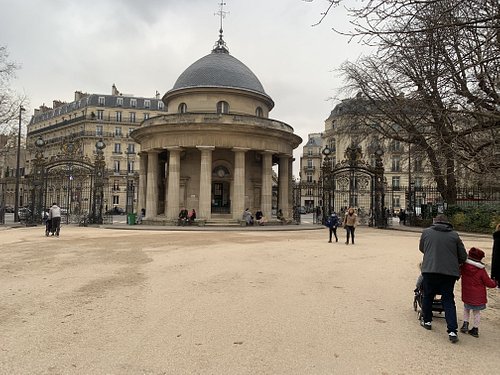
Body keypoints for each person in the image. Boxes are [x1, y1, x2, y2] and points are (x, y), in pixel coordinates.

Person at [419, 214, 467, 343]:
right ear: (448, 223)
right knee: (448, 299)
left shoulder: (426, 232)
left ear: (434, 221)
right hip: (449, 272)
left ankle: (427, 320)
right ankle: (452, 330)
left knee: (428, 295)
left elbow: (422, 248)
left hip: (430, 269)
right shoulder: (454, 235)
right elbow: (463, 256)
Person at [459, 247, 497, 338]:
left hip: (467, 293)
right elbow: (488, 282)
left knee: (466, 309)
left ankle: (465, 324)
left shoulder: (464, 266)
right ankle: (475, 329)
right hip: (478, 296)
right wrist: (495, 283)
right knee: (476, 312)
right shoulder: (481, 270)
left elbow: (458, 272)